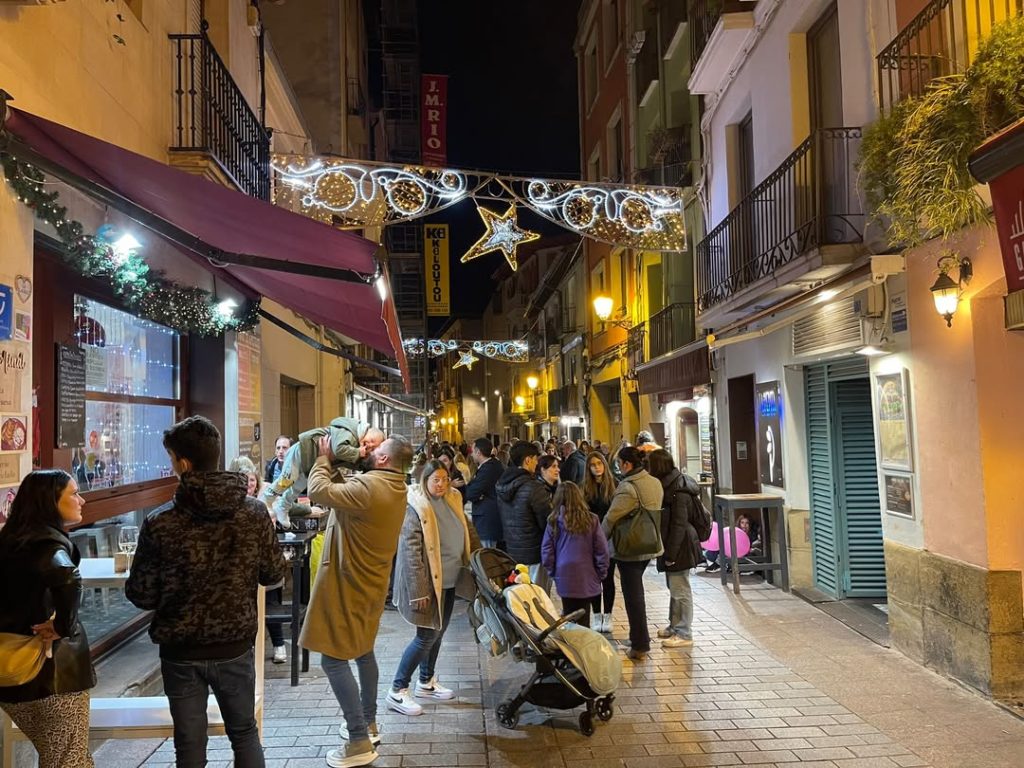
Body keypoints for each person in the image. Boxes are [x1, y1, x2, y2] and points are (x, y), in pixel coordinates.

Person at [126, 416, 287, 768]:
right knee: (244, 733)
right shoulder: (254, 513)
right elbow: (274, 573)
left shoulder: (160, 521)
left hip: (180, 651)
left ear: (183, 464)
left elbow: (140, 593)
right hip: (235, 645)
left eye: (171, 460)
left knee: (188, 743)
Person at [302, 434, 413, 768]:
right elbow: (348, 496)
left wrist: (323, 458)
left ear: (383, 460)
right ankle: (369, 721)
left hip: (347, 585)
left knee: (333, 660)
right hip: (370, 584)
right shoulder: (394, 486)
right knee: (364, 652)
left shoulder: (370, 488)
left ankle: (359, 740)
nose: (367, 450)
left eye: (375, 449)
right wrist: (339, 468)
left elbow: (320, 492)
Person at [0, 470, 96, 768]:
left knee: (65, 756)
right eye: (74, 493)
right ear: (50, 502)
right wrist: (63, 625)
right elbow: (67, 576)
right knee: (68, 760)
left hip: (11, 670)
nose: (81, 500)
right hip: (52, 673)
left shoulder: (10, 541)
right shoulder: (48, 545)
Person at [387, 460, 480, 717]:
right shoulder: (414, 506)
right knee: (426, 636)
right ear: (424, 480)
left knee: (438, 633)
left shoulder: (454, 498)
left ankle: (426, 681)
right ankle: (397, 689)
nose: (441, 485)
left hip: (450, 580)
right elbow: (410, 551)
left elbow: (467, 528)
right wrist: (419, 591)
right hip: (428, 584)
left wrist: (481, 558)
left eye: (445, 479)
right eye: (435, 480)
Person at [260, 417, 385, 529]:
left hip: (310, 461)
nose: (369, 445)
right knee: (287, 479)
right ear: (366, 430)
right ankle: (267, 497)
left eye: (374, 448)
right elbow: (339, 449)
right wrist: (358, 453)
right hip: (302, 451)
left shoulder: (356, 444)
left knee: (298, 487)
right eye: (371, 440)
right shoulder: (348, 433)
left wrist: (363, 460)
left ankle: (283, 505)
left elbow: (348, 460)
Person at [601, 446, 664, 661]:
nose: (618, 468)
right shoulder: (655, 482)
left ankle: (640, 644)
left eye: (619, 464)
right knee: (635, 592)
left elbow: (610, 518)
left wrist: (598, 541)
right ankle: (637, 637)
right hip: (649, 544)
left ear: (627, 464)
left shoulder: (628, 488)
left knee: (633, 596)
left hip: (630, 548)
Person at [648, 449, 710, 649]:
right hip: (675, 544)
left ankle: (684, 633)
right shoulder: (670, 485)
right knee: (674, 587)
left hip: (681, 545)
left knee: (680, 589)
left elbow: (679, 525)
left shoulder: (678, 490)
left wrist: (671, 554)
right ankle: (675, 626)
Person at [230, 456, 288, 665]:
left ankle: (279, 644)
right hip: (241, 570)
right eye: (244, 479)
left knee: (272, 598)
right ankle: (250, 649)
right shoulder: (233, 506)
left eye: (252, 479)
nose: (249, 484)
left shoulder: (265, 498)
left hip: (262, 564)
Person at [541, 482, 609, 629]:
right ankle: (584, 645)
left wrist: (553, 572)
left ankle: (570, 647)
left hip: (564, 574)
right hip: (587, 575)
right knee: (584, 615)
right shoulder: (592, 520)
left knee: (568, 614)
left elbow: (547, 551)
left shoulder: (553, 521)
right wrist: (601, 573)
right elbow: (602, 550)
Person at [496, 442, 553, 593]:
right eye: (535, 459)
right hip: (535, 553)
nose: (536, 463)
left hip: (513, 552)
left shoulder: (501, 485)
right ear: (528, 460)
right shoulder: (534, 487)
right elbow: (547, 522)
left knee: (521, 599)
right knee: (539, 598)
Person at [582, 451, 618, 633]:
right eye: (593, 464)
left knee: (608, 578)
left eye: (599, 463)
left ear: (605, 465)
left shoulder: (614, 486)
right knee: (594, 578)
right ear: (588, 468)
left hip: (609, 539)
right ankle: (596, 615)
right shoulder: (584, 489)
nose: (597, 467)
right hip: (590, 539)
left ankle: (608, 615)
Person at [465, 438, 503, 549]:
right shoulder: (491, 465)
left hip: (487, 522)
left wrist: (477, 494)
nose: (471, 454)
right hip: (487, 520)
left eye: (472, 451)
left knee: (487, 559)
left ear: (478, 452)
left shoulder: (489, 468)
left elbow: (471, 493)